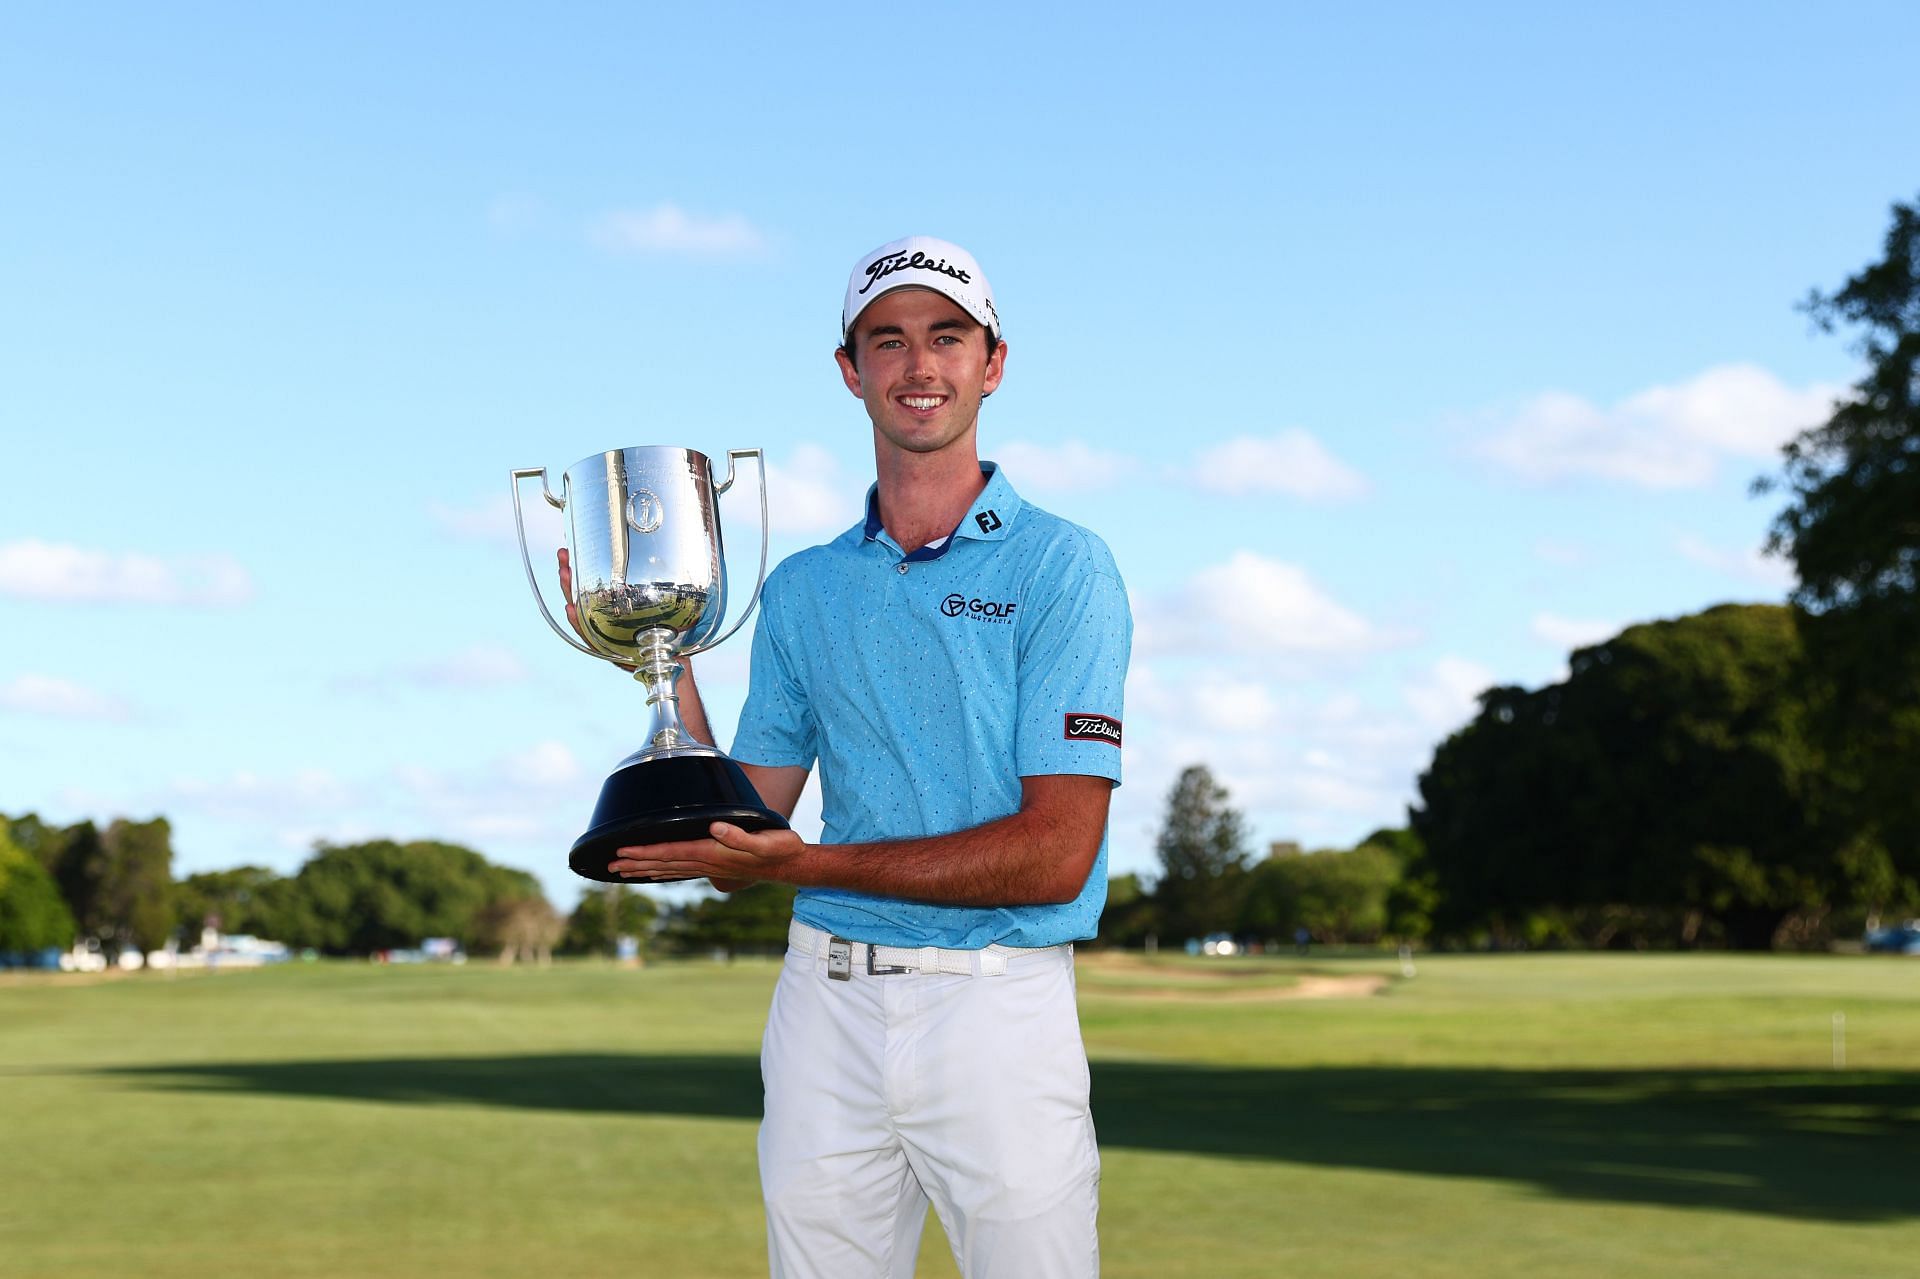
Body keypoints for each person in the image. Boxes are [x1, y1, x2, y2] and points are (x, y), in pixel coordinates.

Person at [602, 235, 1131, 1279]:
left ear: (994, 361)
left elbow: (1054, 854)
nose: (917, 365)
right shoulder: (802, 588)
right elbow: (745, 827)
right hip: (825, 1006)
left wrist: (799, 866)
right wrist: (659, 657)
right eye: (886, 341)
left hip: (997, 1003)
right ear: (851, 372)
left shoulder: (1064, 566)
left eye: (946, 337)